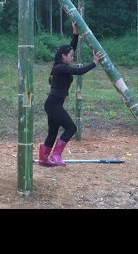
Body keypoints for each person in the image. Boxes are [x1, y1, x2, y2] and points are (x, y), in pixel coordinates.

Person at [39, 21, 105, 167]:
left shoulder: (60, 65)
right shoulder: (61, 68)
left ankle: (44, 159)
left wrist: (75, 34)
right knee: (71, 128)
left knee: (52, 132)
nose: (72, 57)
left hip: (53, 104)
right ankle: (56, 155)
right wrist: (94, 63)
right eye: (70, 55)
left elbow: (71, 49)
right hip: (54, 105)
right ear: (63, 56)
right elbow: (79, 71)